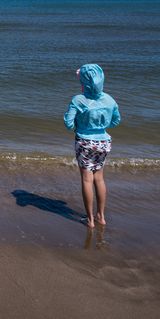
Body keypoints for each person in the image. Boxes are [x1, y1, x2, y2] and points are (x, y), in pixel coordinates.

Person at [64, 64, 120, 228]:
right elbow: (116, 121)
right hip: (104, 141)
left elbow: (68, 124)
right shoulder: (109, 100)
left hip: (84, 141)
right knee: (100, 178)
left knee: (87, 179)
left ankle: (89, 219)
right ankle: (100, 216)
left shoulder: (78, 100)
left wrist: (77, 121)